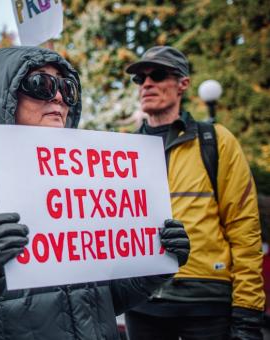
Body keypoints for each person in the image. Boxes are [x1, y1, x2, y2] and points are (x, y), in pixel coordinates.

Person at [0, 46, 191, 340]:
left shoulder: (87, 182)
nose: (59, 97)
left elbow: (107, 301)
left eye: (67, 88)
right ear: (5, 99)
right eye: (40, 85)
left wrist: (156, 262)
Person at [124, 46, 265, 339]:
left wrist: (247, 314)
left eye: (158, 74)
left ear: (183, 84)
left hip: (206, 303)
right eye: (140, 78)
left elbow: (245, 229)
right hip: (141, 303)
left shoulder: (216, 140)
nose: (147, 84)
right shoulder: (121, 150)